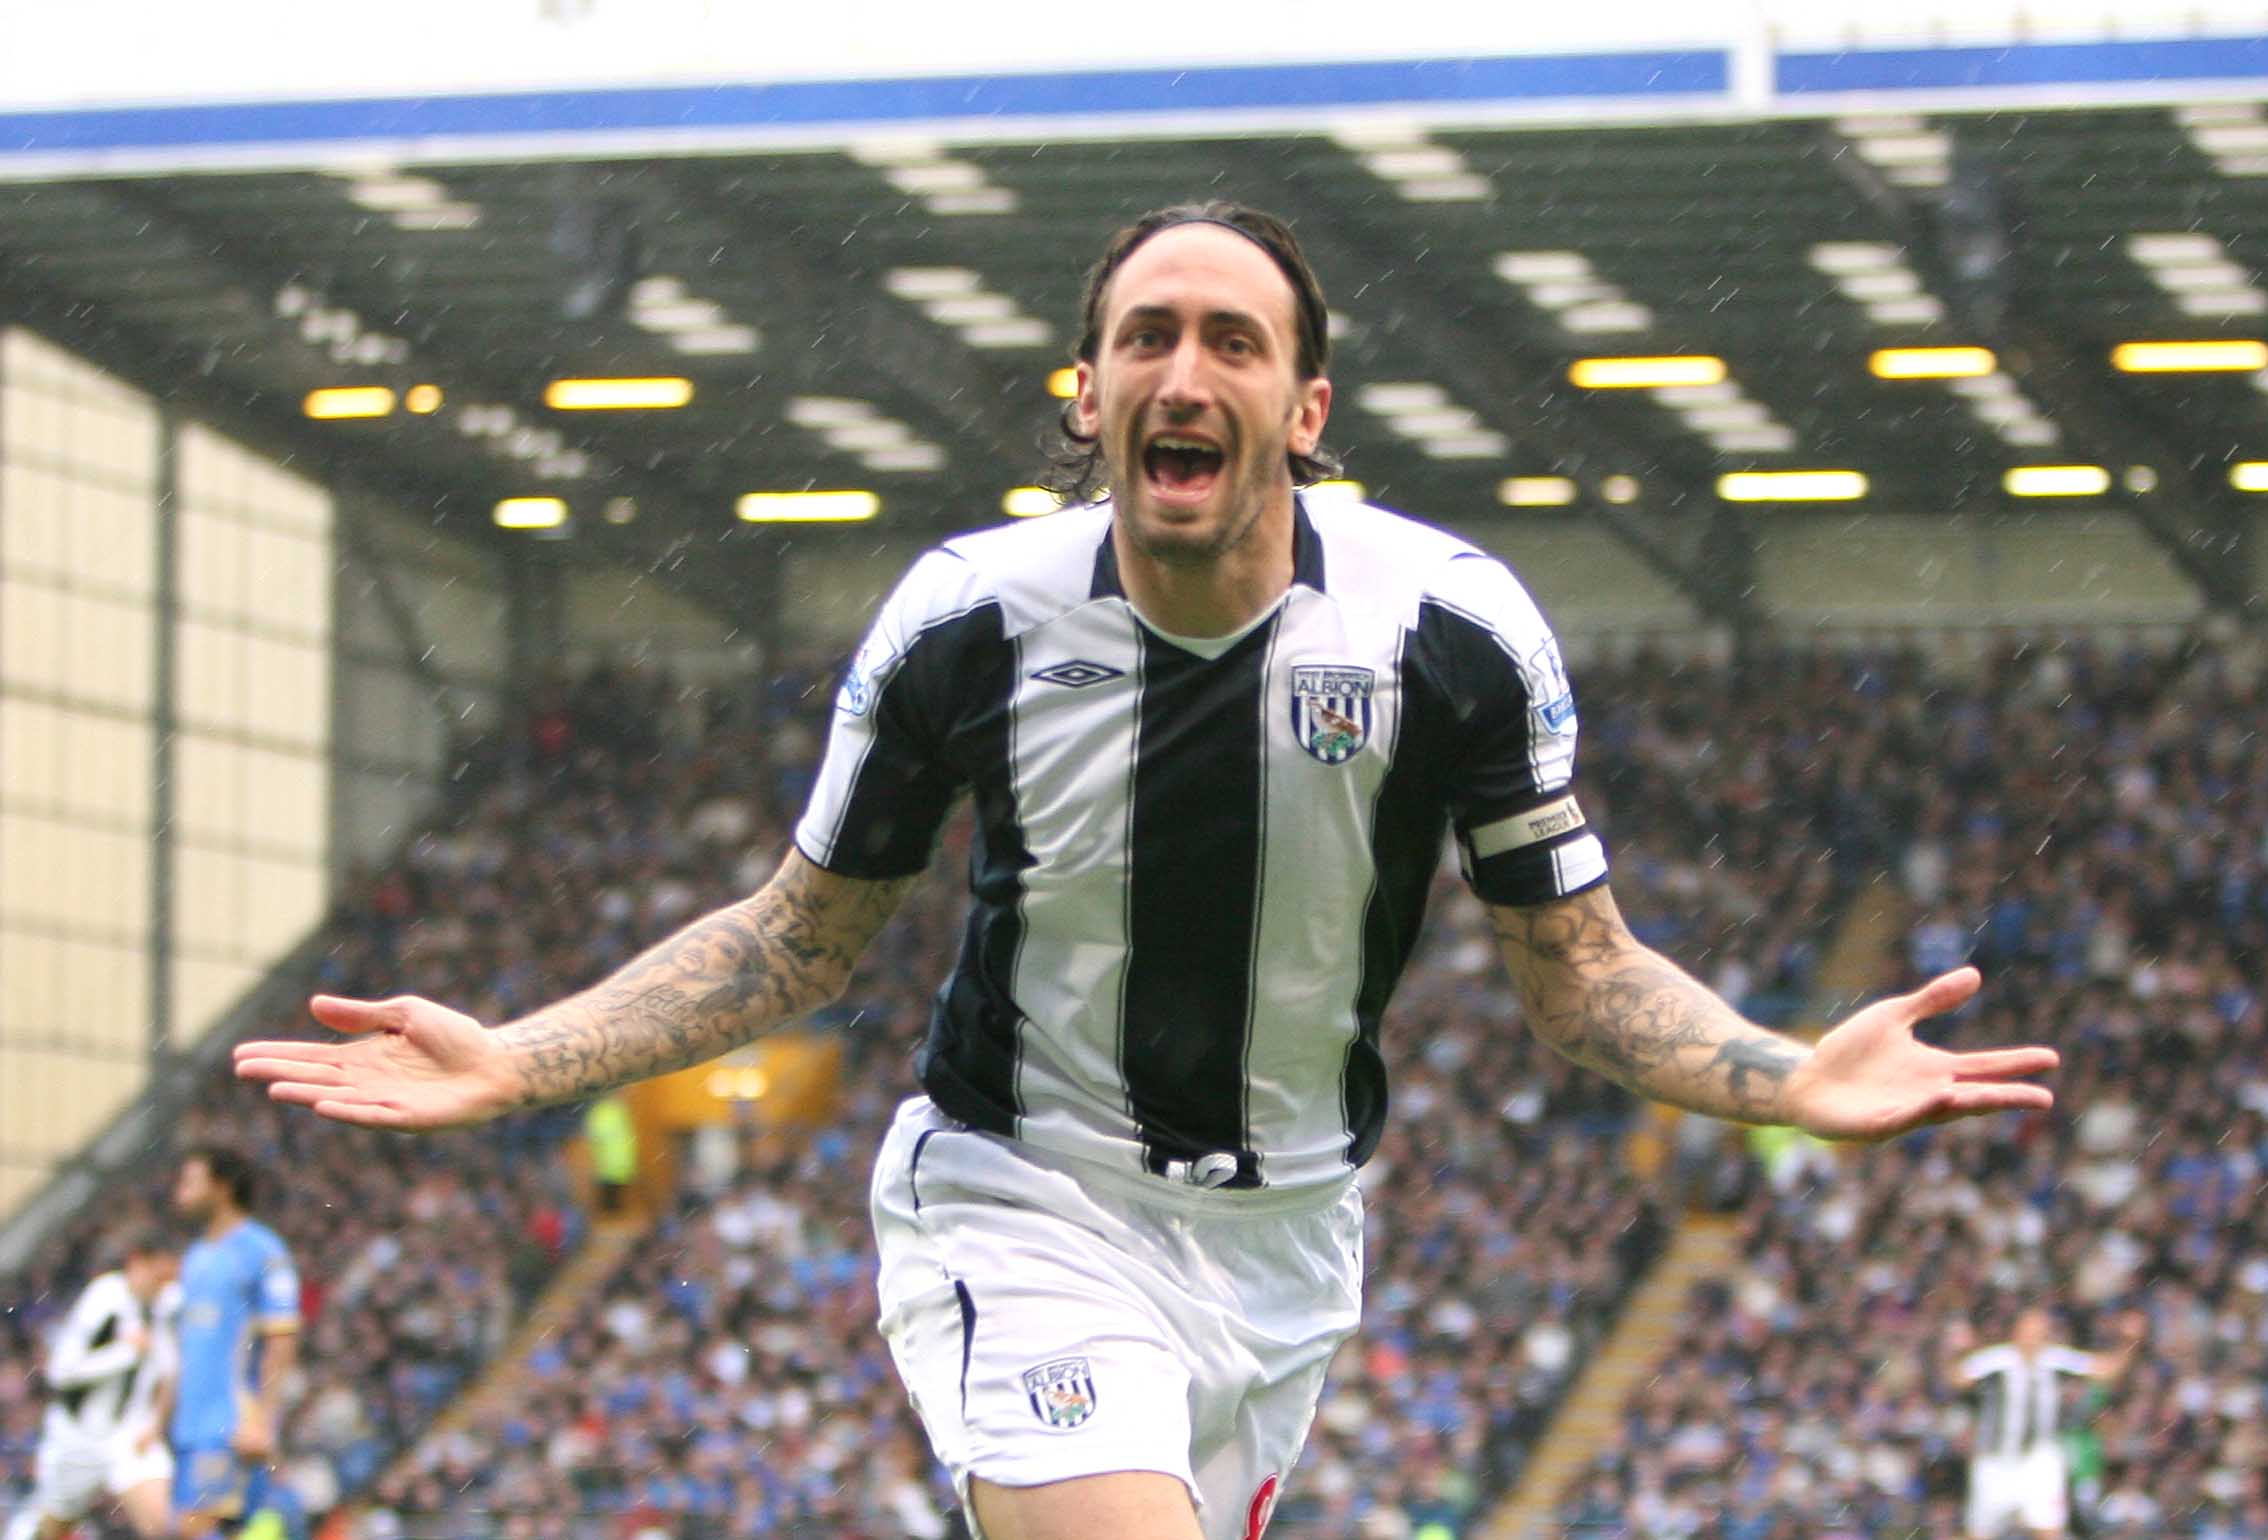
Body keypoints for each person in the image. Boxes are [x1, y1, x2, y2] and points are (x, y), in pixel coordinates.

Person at [236, 200, 2062, 1540]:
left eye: (1234, 341)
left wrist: (1784, 1073)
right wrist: (523, 1059)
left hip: (1290, 1250)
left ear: (1309, 406)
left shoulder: (1451, 632)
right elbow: (796, 944)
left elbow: (1579, 977)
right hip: (1027, 1202)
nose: (1185, 372)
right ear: (1090, 389)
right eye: (1149, 338)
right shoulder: (969, 625)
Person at [3, 1228, 179, 1540]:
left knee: (162, 1526)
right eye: (158, 1276)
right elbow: (61, 1371)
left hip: (128, 1432)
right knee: (53, 1530)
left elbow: (169, 1372)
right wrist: (124, 1352)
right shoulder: (106, 1298)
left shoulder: (165, 1305)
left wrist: (155, 1423)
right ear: (137, 1263)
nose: (163, 1286)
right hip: (78, 1435)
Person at [169, 1145, 301, 1540]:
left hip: (228, 1422)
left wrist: (264, 1419)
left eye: (191, 1182)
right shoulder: (195, 1255)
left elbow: (281, 1338)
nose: (181, 1191)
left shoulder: (262, 1250)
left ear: (222, 1188)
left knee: (194, 1527)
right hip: (191, 1424)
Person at [1943, 1306, 2144, 1540]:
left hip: (2039, 1461)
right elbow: (1956, 1377)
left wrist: (2129, 1340)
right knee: (1978, 1534)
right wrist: (1956, 1350)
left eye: (2042, 1329)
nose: (2037, 1334)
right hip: (1995, 1460)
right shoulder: (1996, 1360)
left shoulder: (2054, 1359)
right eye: (2031, 1327)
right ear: (2016, 1330)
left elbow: (2106, 1371)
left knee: (2050, 1531)